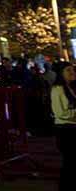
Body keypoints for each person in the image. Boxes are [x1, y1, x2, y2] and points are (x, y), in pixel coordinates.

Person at [51, 62, 76, 191]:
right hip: (66, 131)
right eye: (68, 70)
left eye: (73, 69)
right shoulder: (57, 90)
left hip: (72, 128)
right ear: (61, 73)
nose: (72, 72)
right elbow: (60, 112)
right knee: (69, 164)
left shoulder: (70, 87)